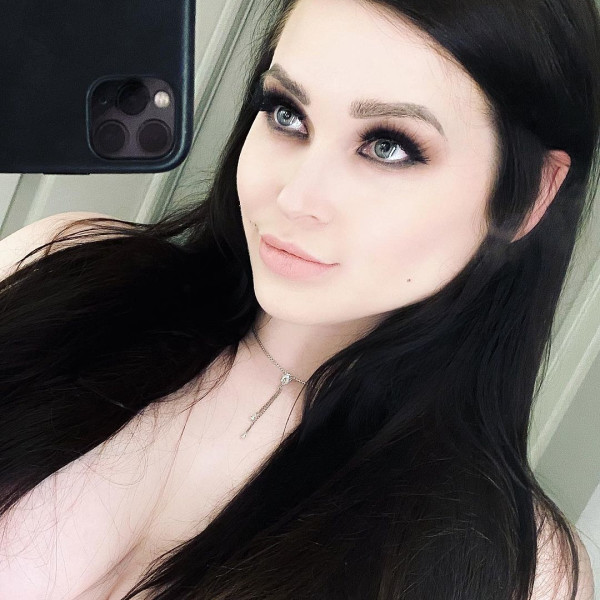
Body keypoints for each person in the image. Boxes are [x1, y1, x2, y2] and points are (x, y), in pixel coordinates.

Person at [0, 0, 598, 597]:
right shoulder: (56, 268)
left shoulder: (519, 569)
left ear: (531, 195)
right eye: (287, 114)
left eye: (388, 146)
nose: (295, 198)